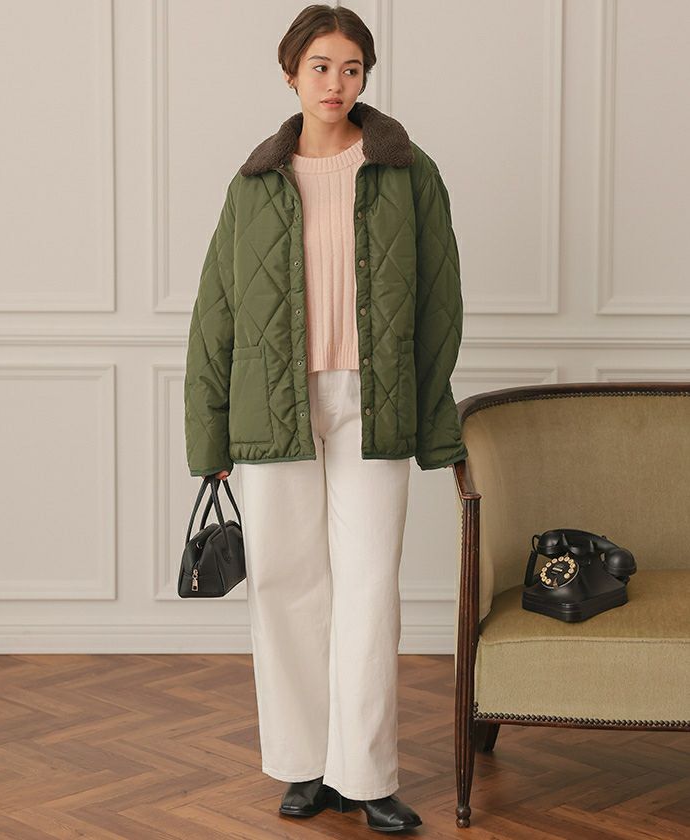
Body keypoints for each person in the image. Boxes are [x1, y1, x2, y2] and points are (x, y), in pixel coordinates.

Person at [184, 4, 468, 832]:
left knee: (369, 587)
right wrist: (210, 436)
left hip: (374, 401)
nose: (336, 83)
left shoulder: (408, 172)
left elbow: (441, 301)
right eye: (320, 67)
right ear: (290, 74)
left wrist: (430, 416)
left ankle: (366, 774)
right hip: (272, 403)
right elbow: (215, 313)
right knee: (285, 586)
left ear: (365, 76)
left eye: (351, 68)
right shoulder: (253, 185)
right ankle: (306, 766)